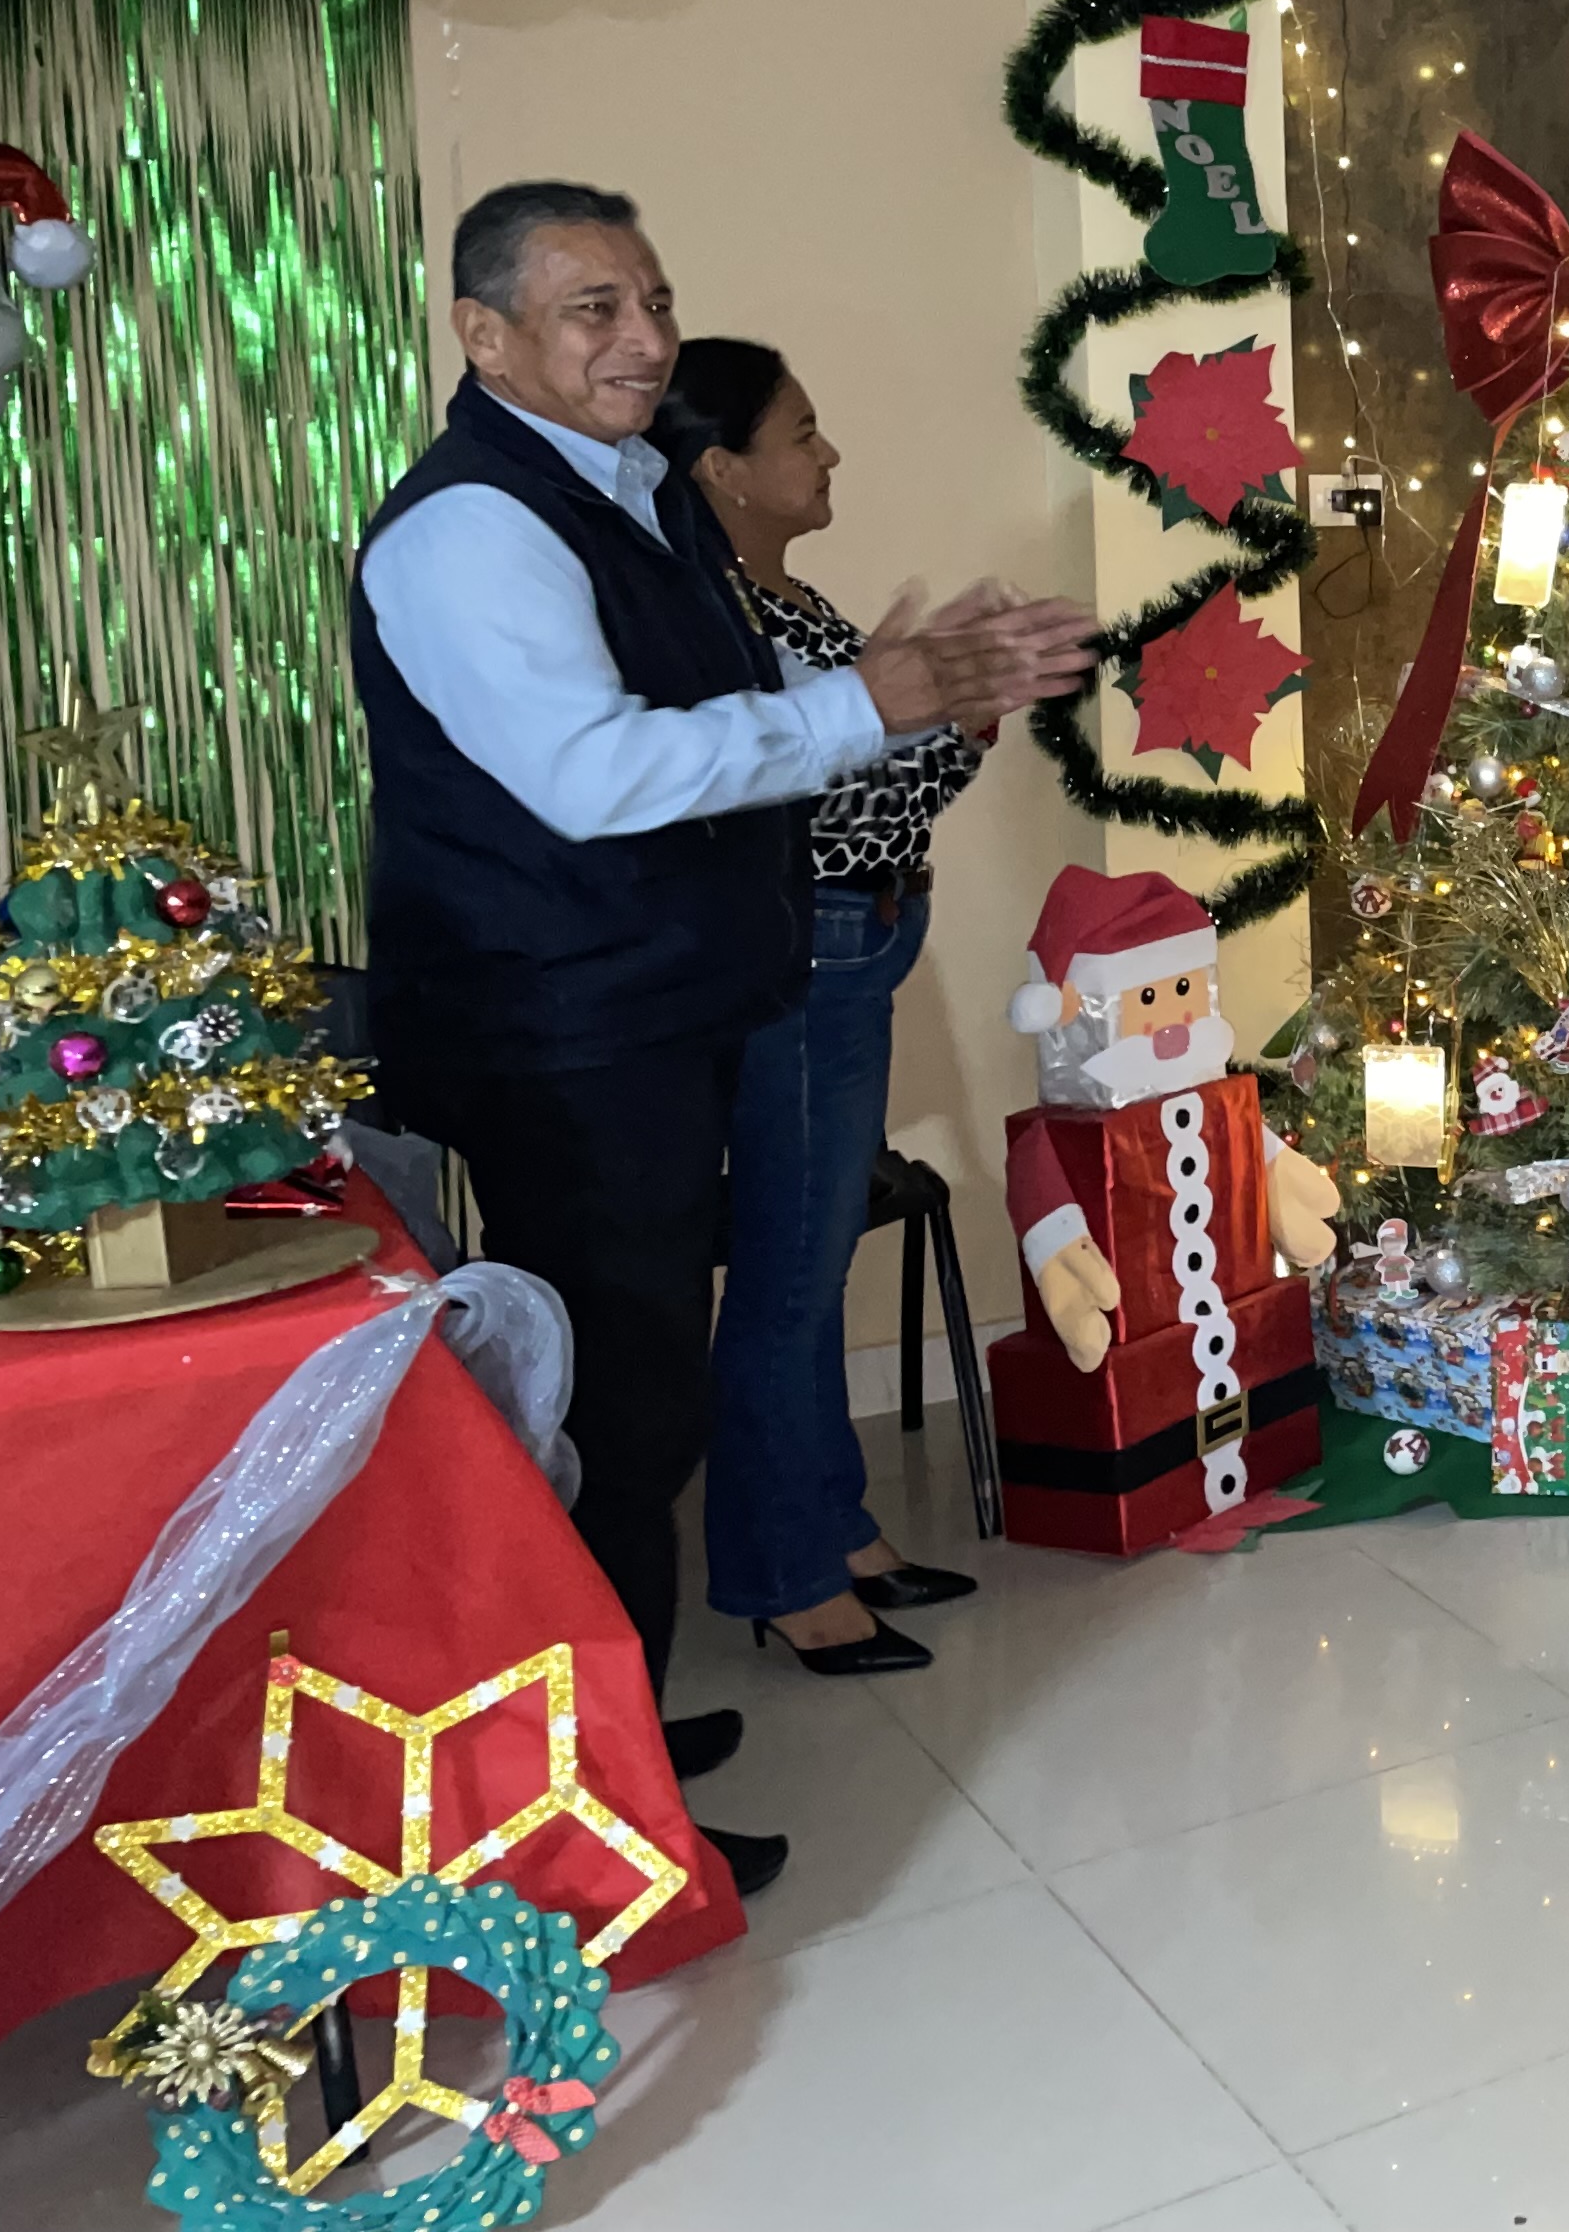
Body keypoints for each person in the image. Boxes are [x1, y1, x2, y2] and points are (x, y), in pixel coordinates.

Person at [352, 182, 1091, 1901]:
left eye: (655, 300)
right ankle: (580, 1819)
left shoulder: (625, 494)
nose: (644, 339)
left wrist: (900, 685)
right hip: (565, 1035)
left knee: (635, 1411)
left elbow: (730, 730)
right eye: (593, 308)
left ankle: (605, 1734)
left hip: (649, 1018)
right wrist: (868, 699)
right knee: (608, 1415)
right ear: (484, 335)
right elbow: (596, 773)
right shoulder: (470, 529)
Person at [663, 339, 996, 1684]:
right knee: (790, 1275)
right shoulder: (712, 614)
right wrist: (947, 717)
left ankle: (838, 1534)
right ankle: (785, 1577)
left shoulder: (785, 597)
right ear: (722, 469)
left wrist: (957, 719)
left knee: (812, 1258)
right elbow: (801, 811)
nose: (828, 452)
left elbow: (879, 785)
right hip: (805, 952)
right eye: (800, 433)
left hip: (863, 939)